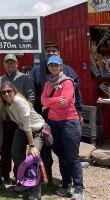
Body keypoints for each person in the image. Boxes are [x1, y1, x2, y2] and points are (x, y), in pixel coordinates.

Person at [30, 42, 83, 184]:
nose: (51, 53)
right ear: (45, 56)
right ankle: (47, 179)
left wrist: (79, 111)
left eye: (54, 51)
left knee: (70, 154)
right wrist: (46, 105)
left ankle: (76, 185)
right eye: (48, 51)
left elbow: (73, 96)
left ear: (59, 56)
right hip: (45, 119)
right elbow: (39, 98)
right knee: (50, 152)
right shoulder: (36, 71)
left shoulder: (69, 73)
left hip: (67, 118)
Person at [41, 56, 84, 200]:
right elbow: (42, 100)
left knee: (72, 156)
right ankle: (66, 185)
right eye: (51, 65)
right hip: (53, 123)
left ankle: (79, 189)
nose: (53, 67)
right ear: (48, 67)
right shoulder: (48, 84)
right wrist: (55, 101)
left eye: (56, 65)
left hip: (69, 122)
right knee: (61, 155)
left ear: (61, 66)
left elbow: (65, 101)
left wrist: (49, 102)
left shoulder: (68, 82)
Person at [0, 81, 44, 200]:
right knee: (16, 154)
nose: (6, 94)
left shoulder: (19, 101)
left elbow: (28, 125)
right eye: (3, 92)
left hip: (36, 131)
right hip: (22, 129)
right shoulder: (6, 104)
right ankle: (25, 182)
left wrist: (32, 146)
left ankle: (35, 192)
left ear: (14, 91)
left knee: (32, 159)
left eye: (9, 91)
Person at [0, 53, 35, 183]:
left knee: (19, 150)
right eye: (8, 63)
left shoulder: (25, 78)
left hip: (20, 122)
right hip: (5, 120)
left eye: (13, 62)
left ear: (17, 64)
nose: (10, 65)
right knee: (5, 149)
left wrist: (26, 114)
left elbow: (31, 98)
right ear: (4, 65)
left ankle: (19, 175)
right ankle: (4, 174)